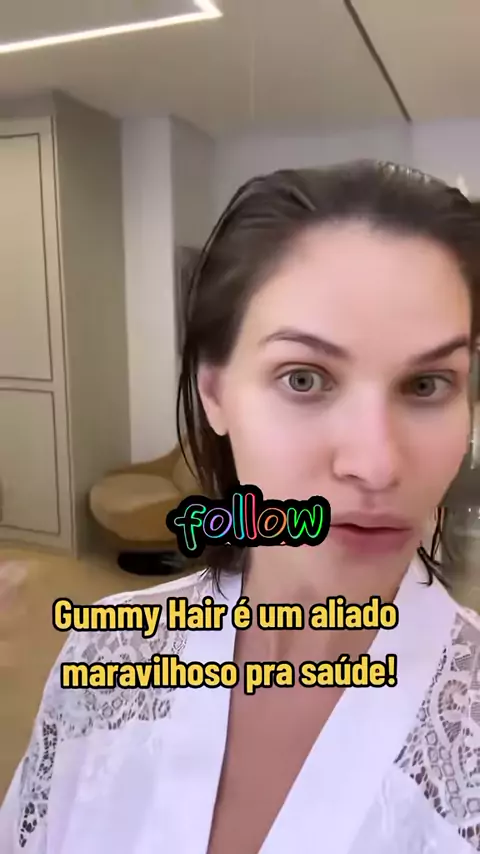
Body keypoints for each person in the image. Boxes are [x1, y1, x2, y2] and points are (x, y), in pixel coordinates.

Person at [1, 161, 480, 854]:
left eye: (428, 384)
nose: (377, 464)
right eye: (305, 378)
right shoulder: (106, 656)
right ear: (215, 393)